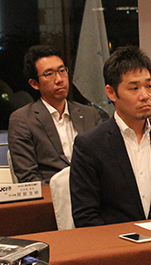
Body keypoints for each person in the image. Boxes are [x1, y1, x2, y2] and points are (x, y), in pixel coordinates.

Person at [69, 46, 151, 227]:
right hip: (115, 241)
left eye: (148, 86)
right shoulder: (90, 145)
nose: (145, 96)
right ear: (111, 92)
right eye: (134, 88)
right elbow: (85, 215)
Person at [8, 45, 101, 184]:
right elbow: (29, 178)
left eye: (62, 71)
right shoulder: (22, 120)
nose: (59, 79)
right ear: (34, 84)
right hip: (51, 194)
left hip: (93, 192)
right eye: (49, 74)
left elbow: (104, 164)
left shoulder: (89, 115)